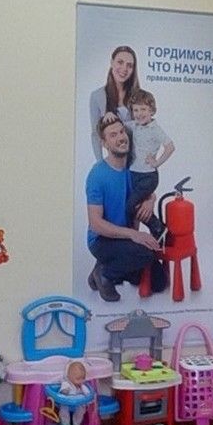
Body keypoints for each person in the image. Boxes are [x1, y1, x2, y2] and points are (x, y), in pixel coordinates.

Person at [86, 116, 168, 302]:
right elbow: (96, 224)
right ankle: (104, 273)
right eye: (113, 135)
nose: (121, 138)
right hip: (102, 240)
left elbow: (145, 190)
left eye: (122, 132)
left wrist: (151, 199)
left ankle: (106, 268)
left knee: (159, 282)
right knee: (144, 254)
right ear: (104, 143)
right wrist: (134, 235)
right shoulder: (97, 175)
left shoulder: (135, 168)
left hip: (126, 239)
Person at [125, 89, 175, 241]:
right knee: (136, 206)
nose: (139, 114)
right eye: (136, 110)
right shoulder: (133, 125)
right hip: (133, 174)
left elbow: (170, 147)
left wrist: (157, 162)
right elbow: (118, 125)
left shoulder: (155, 129)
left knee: (129, 206)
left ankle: (157, 227)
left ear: (151, 111)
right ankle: (158, 232)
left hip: (148, 177)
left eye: (143, 109)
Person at [89, 46, 140, 161]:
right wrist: (100, 162)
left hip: (139, 163)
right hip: (115, 162)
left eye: (129, 65)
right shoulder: (97, 96)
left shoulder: (139, 96)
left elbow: (145, 128)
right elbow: (95, 134)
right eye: (120, 62)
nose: (124, 68)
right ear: (112, 62)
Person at [58, 361, 91, 425]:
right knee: (63, 409)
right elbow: (62, 391)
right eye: (78, 379)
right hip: (67, 402)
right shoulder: (66, 383)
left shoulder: (82, 386)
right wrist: (65, 391)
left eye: (83, 378)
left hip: (78, 403)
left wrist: (87, 396)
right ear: (69, 377)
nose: (81, 381)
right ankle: (65, 424)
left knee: (81, 410)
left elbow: (88, 394)